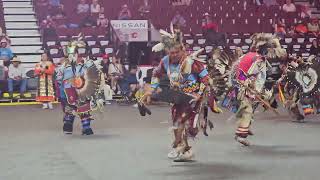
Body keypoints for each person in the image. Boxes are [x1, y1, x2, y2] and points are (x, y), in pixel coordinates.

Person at [143, 30, 210, 161]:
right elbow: (156, 75)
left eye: (176, 52)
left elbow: (206, 79)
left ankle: (179, 145)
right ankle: (184, 149)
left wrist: (199, 94)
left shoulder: (191, 61)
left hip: (194, 97)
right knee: (176, 121)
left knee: (187, 125)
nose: (173, 55)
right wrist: (152, 89)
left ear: (182, 50)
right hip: (177, 96)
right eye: (171, 53)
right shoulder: (165, 61)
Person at [55, 39, 98, 135]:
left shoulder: (67, 65)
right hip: (75, 89)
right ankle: (83, 127)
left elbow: (58, 78)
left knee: (75, 107)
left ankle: (74, 126)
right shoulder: (79, 64)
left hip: (76, 89)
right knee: (78, 107)